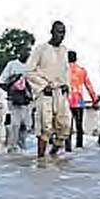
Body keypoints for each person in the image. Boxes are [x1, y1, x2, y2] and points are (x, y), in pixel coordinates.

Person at [25, 21, 71, 158]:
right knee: (45, 127)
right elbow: (29, 71)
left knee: (65, 127)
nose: (61, 35)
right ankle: (41, 159)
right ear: (52, 32)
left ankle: (53, 154)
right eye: (58, 32)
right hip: (45, 94)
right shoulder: (41, 49)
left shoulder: (64, 50)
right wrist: (43, 86)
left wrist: (66, 85)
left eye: (63, 32)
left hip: (60, 95)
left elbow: (66, 70)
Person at [0, 46, 33, 152]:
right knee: (15, 124)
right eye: (24, 51)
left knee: (26, 125)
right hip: (14, 100)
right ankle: (12, 147)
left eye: (28, 52)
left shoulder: (31, 66)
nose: (26, 54)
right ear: (19, 53)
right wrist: (11, 91)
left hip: (27, 100)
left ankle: (22, 147)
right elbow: (2, 82)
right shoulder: (12, 65)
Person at [66, 50, 98, 151]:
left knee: (67, 126)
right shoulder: (82, 70)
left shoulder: (63, 70)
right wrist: (94, 99)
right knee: (79, 125)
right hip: (79, 101)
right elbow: (88, 86)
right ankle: (79, 146)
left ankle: (68, 147)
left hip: (66, 101)